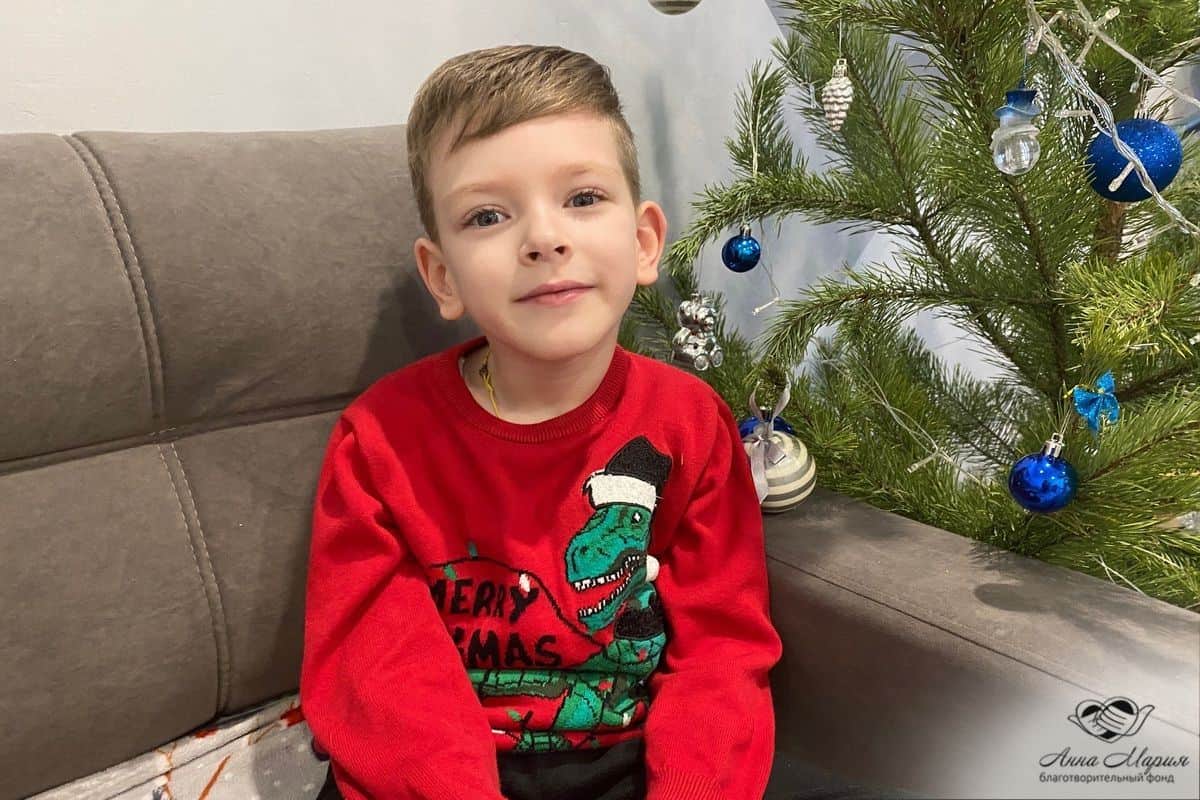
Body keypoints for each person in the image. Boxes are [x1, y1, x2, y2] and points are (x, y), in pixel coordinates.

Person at [302, 44, 899, 800]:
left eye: (582, 198)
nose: (544, 239)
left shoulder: (690, 423)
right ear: (443, 276)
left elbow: (721, 648)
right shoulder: (379, 439)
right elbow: (373, 666)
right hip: (438, 772)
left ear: (644, 242)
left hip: (632, 759)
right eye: (488, 215)